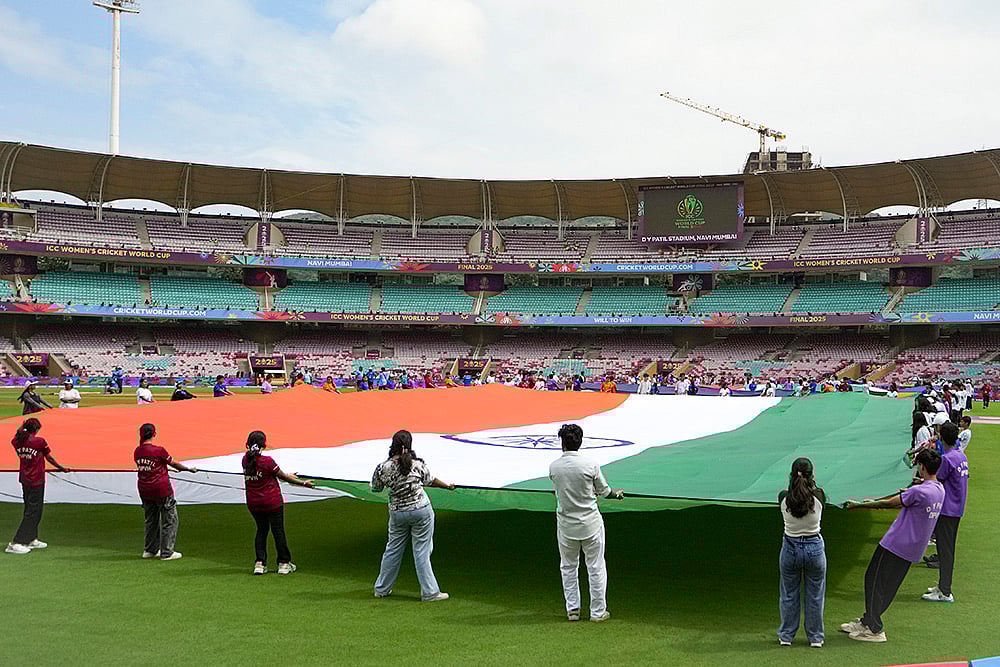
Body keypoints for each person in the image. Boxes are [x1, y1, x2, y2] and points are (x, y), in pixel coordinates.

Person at [841, 449, 945, 643]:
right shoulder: (939, 490)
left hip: (895, 544)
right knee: (888, 586)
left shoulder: (919, 491)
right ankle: (869, 620)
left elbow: (890, 503)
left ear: (922, 467)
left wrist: (861, 505)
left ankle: (875, 628)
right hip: (912, 549)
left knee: (873, 579)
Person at [549, 423, 624, 622]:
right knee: (596, 567)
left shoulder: (554, 467)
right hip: (590, 522)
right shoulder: (590, 465)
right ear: (579, 442)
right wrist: (616, 495)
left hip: (566, 524)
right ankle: (598, 612)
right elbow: (605, 491)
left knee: (568, 567)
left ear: (562, 443)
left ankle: (573, 609)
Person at [370, 430, 454, 601]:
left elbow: (376, 488)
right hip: (421, 510)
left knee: (392, 550)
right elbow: (430, 480)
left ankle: (381, 589)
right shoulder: (416, 464)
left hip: (397, 512)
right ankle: (430, 592)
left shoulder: (382, 467)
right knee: (422, 552)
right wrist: (447, 486)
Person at [242, 431, 314, 575]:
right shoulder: (267, 461)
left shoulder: (245, 460)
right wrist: (303, 483)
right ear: (264, 445)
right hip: (272, 502)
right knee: (278, 531)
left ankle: (260, 563)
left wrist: (286, 475)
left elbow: (273, 474)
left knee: (261, 530)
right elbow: (281, 477)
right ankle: (283, 563)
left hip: (254, 503)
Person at [777, 458, 826, 648]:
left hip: (790, 547)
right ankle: (815, 637)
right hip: (814, 547)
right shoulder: (819, 495)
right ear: (812, 475)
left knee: (789, 593)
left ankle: (786, 636)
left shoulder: (783, 497)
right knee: (815, 595)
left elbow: (792, 495)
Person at [134, 423, 198, 561]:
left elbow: (150, 467)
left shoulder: (137, 451)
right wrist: (188, 469)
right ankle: (167, 551)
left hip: (144, 489)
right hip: (161, 489)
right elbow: (173, 463)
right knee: (169, 519)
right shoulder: (159, 450)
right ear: (154, 434)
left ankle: (150, 549)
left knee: (151, 519)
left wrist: (166, 468)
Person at [5, 418, 70, 555]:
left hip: (25, 479)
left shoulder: (16, 441)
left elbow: (19, 445)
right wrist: (62, 468)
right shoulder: (39, 442)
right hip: (36, 480)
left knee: (31, 509)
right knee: (33, 512)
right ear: (36, 429)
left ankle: (31, 538)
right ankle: (16, 542)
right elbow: (49, 458)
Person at [922, 422, 969, 602]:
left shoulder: (948, 459)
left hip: (947, 509)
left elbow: (936, 479)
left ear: (942, 437)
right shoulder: (961, 456)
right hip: (956, 508)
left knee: (945, 551)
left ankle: (945, 591)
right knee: (946, 549)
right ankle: (943, 586)